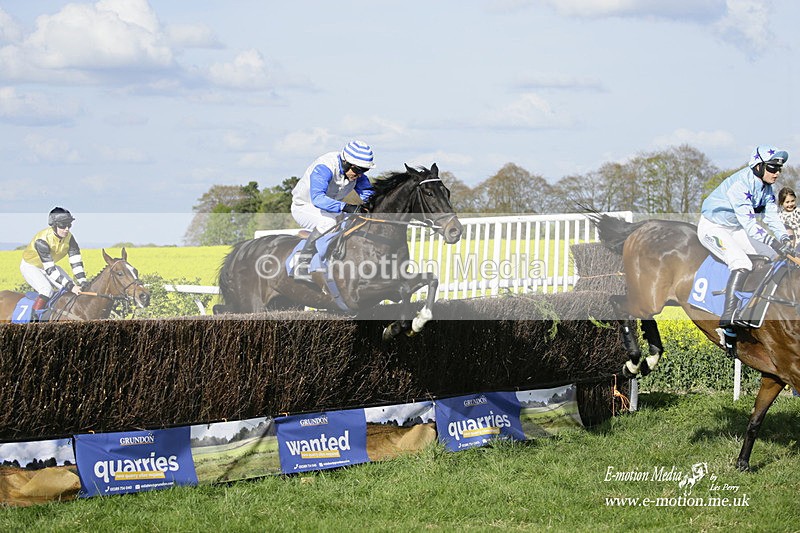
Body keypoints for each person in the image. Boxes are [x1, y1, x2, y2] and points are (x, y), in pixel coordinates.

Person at [698, 145, 792, 352]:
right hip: (713, 227)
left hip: (734, 228)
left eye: (779, 169)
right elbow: (751, 225)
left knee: (774, 255)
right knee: (741, 262)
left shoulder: (766, 187)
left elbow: (771, 217)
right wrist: (775, 241)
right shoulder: (740, 186)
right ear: (758, 166)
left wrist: (784, 239)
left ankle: (758, 306)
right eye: (772, 168)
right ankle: (728, 318)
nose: (777, 173)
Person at [290, 140, 375, 279]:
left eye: (364, 170)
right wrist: (346, 206)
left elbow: (369, 195)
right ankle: (302, 265)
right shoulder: (324, 167)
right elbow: (318, 199)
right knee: (328, 223)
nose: (360, 175)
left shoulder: (355, 172)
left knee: (357, 221)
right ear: (346, 163)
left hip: (330, 209)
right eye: (359, 170)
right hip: (305, 206)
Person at [20, 207, 88, 320]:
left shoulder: (70, 238)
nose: (66, 229)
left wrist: (83, 281)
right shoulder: (42, 240)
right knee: (46, 290)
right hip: (31, 266)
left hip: (48, 266)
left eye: (69, 225)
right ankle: (34, 321)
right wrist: (71, 286)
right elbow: (50, 269)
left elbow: (76, 262)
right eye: (62, 225)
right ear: (54, 225)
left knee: (69, 288)